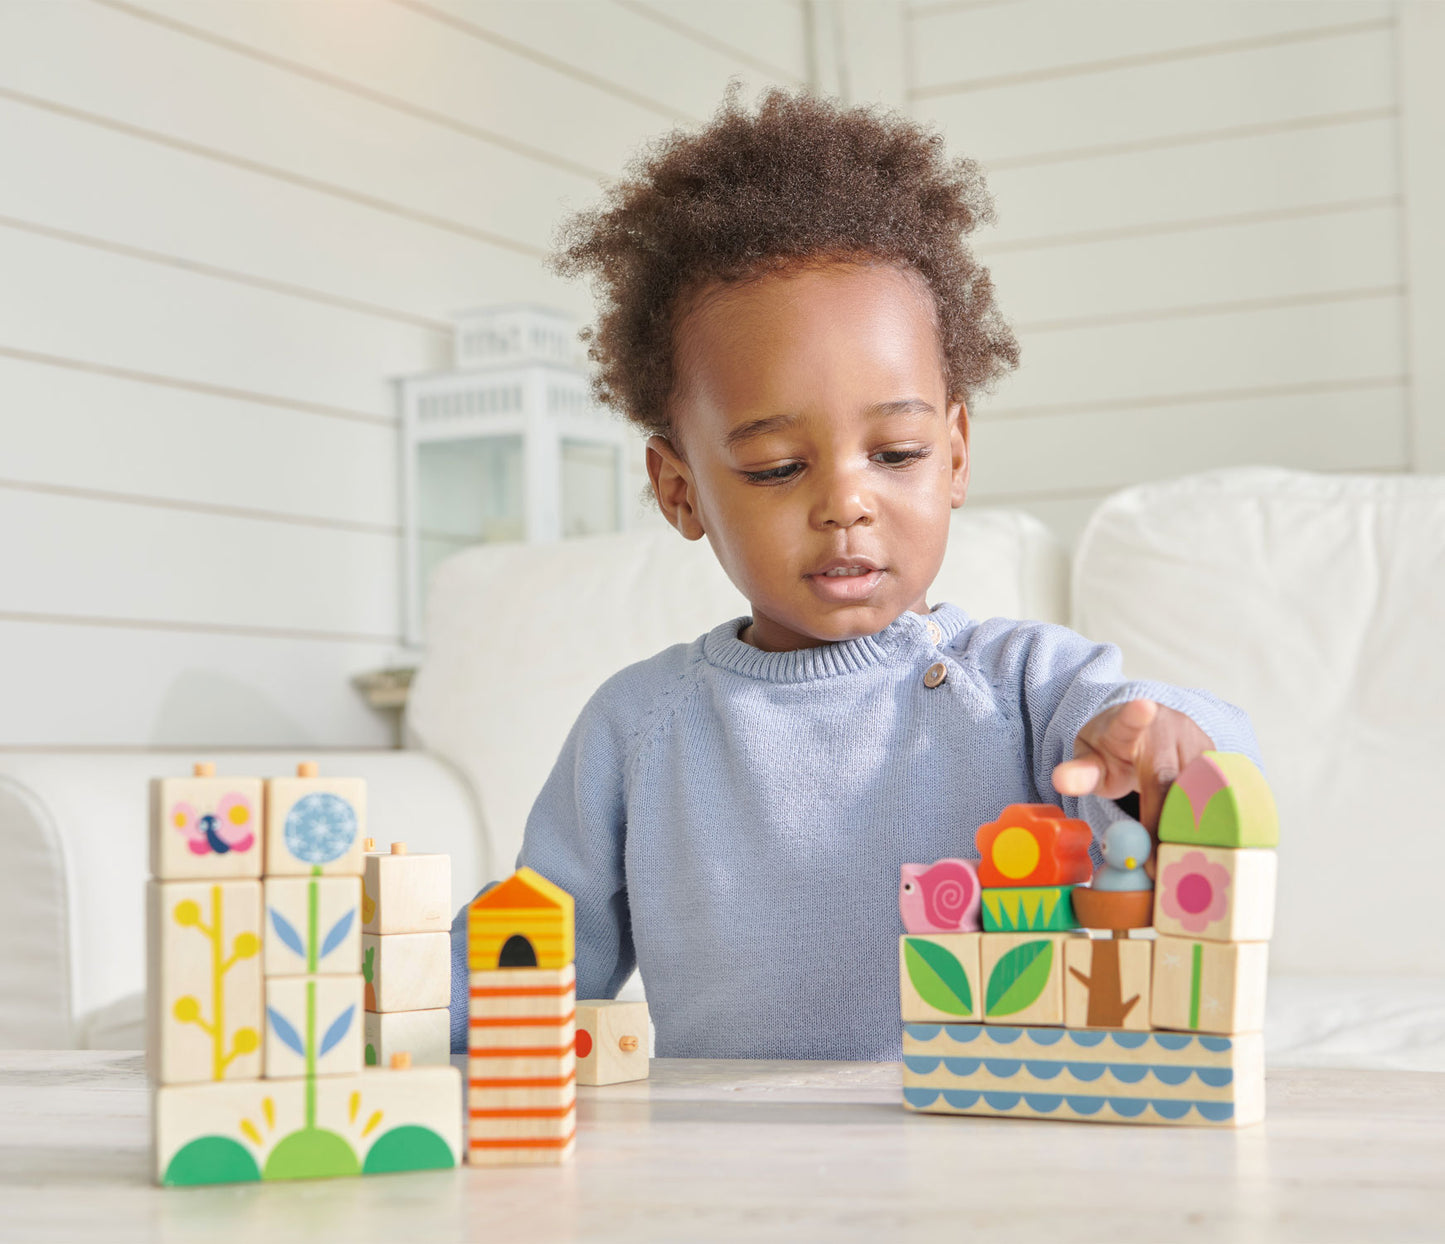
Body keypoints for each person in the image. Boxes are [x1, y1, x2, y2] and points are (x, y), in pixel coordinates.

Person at [448, 83, 1260, 1059]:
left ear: (955, 454)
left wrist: (1158, 741)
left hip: (979, 1160)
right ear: (679, 490)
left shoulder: (1021, 689)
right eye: (777, 467)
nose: (844, 501)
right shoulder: (637, 729)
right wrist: (392, 1010)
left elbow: (1183, 758)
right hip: (722, 1184)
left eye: (896, 453)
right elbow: (524, 959)